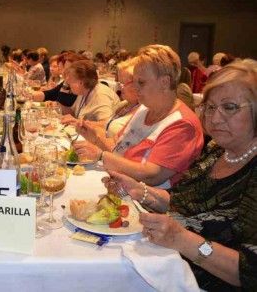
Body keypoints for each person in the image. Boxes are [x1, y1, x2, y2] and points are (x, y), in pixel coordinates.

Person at [104, 59, 257, 291]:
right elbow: (183, 200)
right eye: (211, 107)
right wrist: (140, 190)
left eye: (230, 107)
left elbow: (251, 272)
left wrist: (181, 239)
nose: (215, 119)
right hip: (169, 267)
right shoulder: (217, 150)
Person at [74, 45, 204, 188]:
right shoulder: (144, 109)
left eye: (141, 82)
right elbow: (117, 148)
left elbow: (152, 175)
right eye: (134, 82)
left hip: (144, 202)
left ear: (165, 82)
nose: (135, 88)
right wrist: (94, 138)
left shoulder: (183, 123)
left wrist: (101, 156)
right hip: (118, 186)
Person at [75, 57, 140, 150]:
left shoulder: (143, 112)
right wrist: (88, 125)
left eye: (123, 84)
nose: (119, 88)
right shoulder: (124, 104)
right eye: (119, 83)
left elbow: (123, 150)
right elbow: (109, 127)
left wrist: (96, 142)